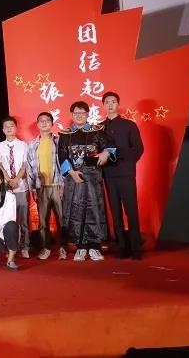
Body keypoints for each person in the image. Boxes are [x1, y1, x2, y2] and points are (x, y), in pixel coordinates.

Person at [58, 101, 116, 262]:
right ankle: (80, 248)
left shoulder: (97, 132)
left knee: (94, 210)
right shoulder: (65, 134)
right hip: (74, 179)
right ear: (72, 115)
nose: (79, 116)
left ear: (87, 114)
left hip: (93, 178)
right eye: (76, 113)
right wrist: (71, 172)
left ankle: (95, 247)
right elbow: (61, 156)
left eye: (82, 113)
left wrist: (105, 153)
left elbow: (110, 146)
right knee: (75, 212)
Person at [102, 92, 144, 260]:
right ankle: (121, 246)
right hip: (108, 175)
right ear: (103, 105)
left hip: (126, 173)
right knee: (115, 212)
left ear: (118, 104)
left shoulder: (129, 125)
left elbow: (138, 149)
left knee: (131, 210)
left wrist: (120, 156)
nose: (110, 104)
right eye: (107, 102)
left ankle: (135, 248)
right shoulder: (99, 128)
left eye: (113, 101)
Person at [27, 112, 66, 260]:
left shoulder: (59, 141)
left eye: (47, 120)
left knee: (62, 219)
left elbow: (64, 162)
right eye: (41, 121)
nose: (44, 123)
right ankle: (46, 248)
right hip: (41, 187)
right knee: (43, 222)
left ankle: (62, 248)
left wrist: (63, 183)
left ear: (52, 123)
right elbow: (30, 168)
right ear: (37, 124)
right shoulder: (32, 144)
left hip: (57, 185)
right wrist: (33, 188)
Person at [0, 117, 30, 258]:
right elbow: (0, 165)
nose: (9, 128)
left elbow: (24, 165)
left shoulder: (23, 145)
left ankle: (25, 247)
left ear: (16, 128)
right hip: (6, 187)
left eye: (11, 126)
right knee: (7, 219)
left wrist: (16, 179)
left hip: (21, 186)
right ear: (3, 130)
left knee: (23, 220)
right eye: (6, 126)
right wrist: (9, 180)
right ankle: (9, 247)